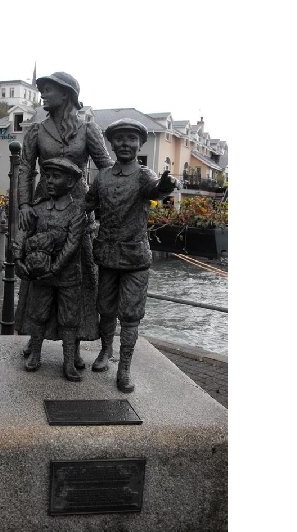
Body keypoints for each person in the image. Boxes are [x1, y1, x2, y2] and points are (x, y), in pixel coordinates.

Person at [15, 71, 113, 365]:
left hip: (77, 209)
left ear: (67, 94)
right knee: (38, 267)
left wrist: (95, 205)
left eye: (48, 89)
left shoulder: (88, 130)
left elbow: (105, 169)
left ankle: (76, 344)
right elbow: (24, 169)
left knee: (79, 277)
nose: (42, 93)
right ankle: (36, 339)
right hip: (42, 207)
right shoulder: (36, 129)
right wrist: (23, 205)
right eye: (42, 88)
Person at [84, 118, 177, 392]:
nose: (125, 143)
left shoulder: (144, 175)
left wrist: (166, 184)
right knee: (106, 309)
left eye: (131, 138)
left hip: (135, 258)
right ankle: (105, 352)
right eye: (120, 138)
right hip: (107, 255)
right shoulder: (103, 176)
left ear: (140, 144)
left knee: (131, 315)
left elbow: (156, 191)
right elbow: (88, 203)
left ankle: (124, 368)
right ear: (111, 144)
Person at [14, 158, 87, 381]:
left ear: (71, 181)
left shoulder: (77, 211)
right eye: (47, 176)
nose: (50, 181)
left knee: (69, 318)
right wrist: (18, 258)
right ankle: (35, 353)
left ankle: (68, 362)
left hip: (67, 275)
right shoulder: (37, 209)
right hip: (40, 275)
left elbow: (73, 244)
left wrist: (55, 268)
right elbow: (22, 233)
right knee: (38, 313)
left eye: (57, 177)